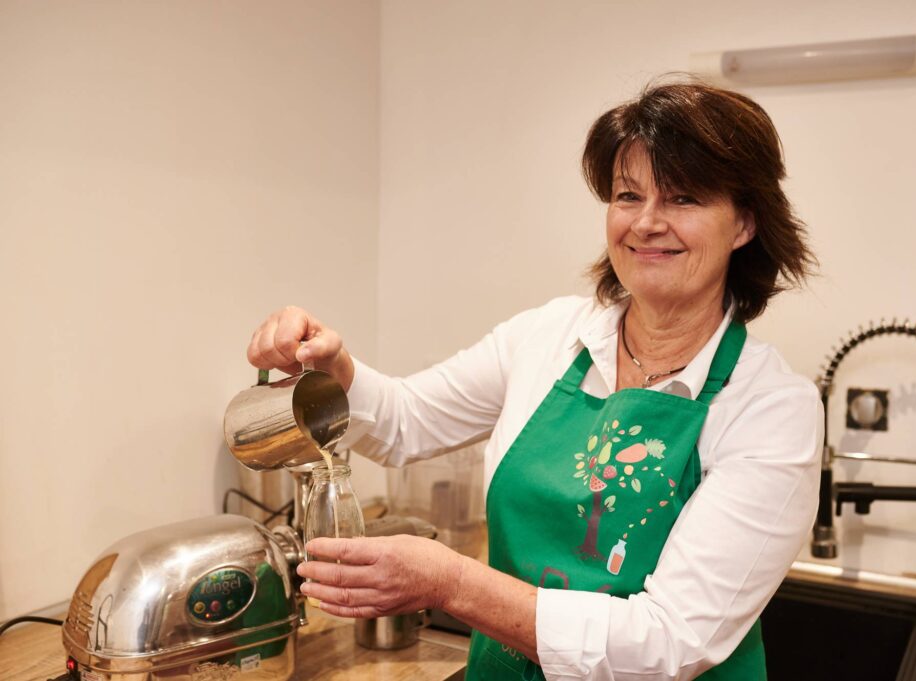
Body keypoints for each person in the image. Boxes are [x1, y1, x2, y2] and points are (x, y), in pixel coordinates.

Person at [248, 79, 822, 680]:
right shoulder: (549, 337)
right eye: (628, 195)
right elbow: (402, 422)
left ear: (745, 225)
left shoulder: (772, 408)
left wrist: (450, 581)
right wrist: (333, 366)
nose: (648, 223)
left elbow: (668, 644)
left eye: (684, 199)